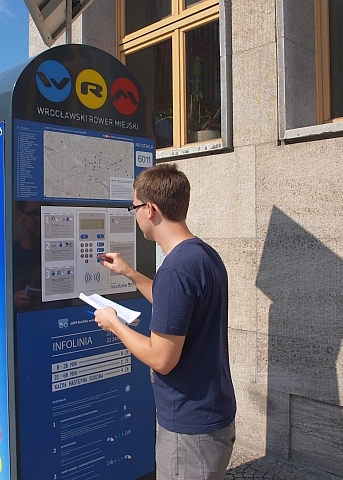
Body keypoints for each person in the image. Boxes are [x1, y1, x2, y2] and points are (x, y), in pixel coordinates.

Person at [94, 163, 236, 480]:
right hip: (212, 413)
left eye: (134, 207)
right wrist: (130, 274)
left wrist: (114, 323)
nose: (134, 215)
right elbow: (176, 310)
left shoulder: (175, 269)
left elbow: (162, 358)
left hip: (189, 427)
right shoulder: (202, 255)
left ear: (151, 209)